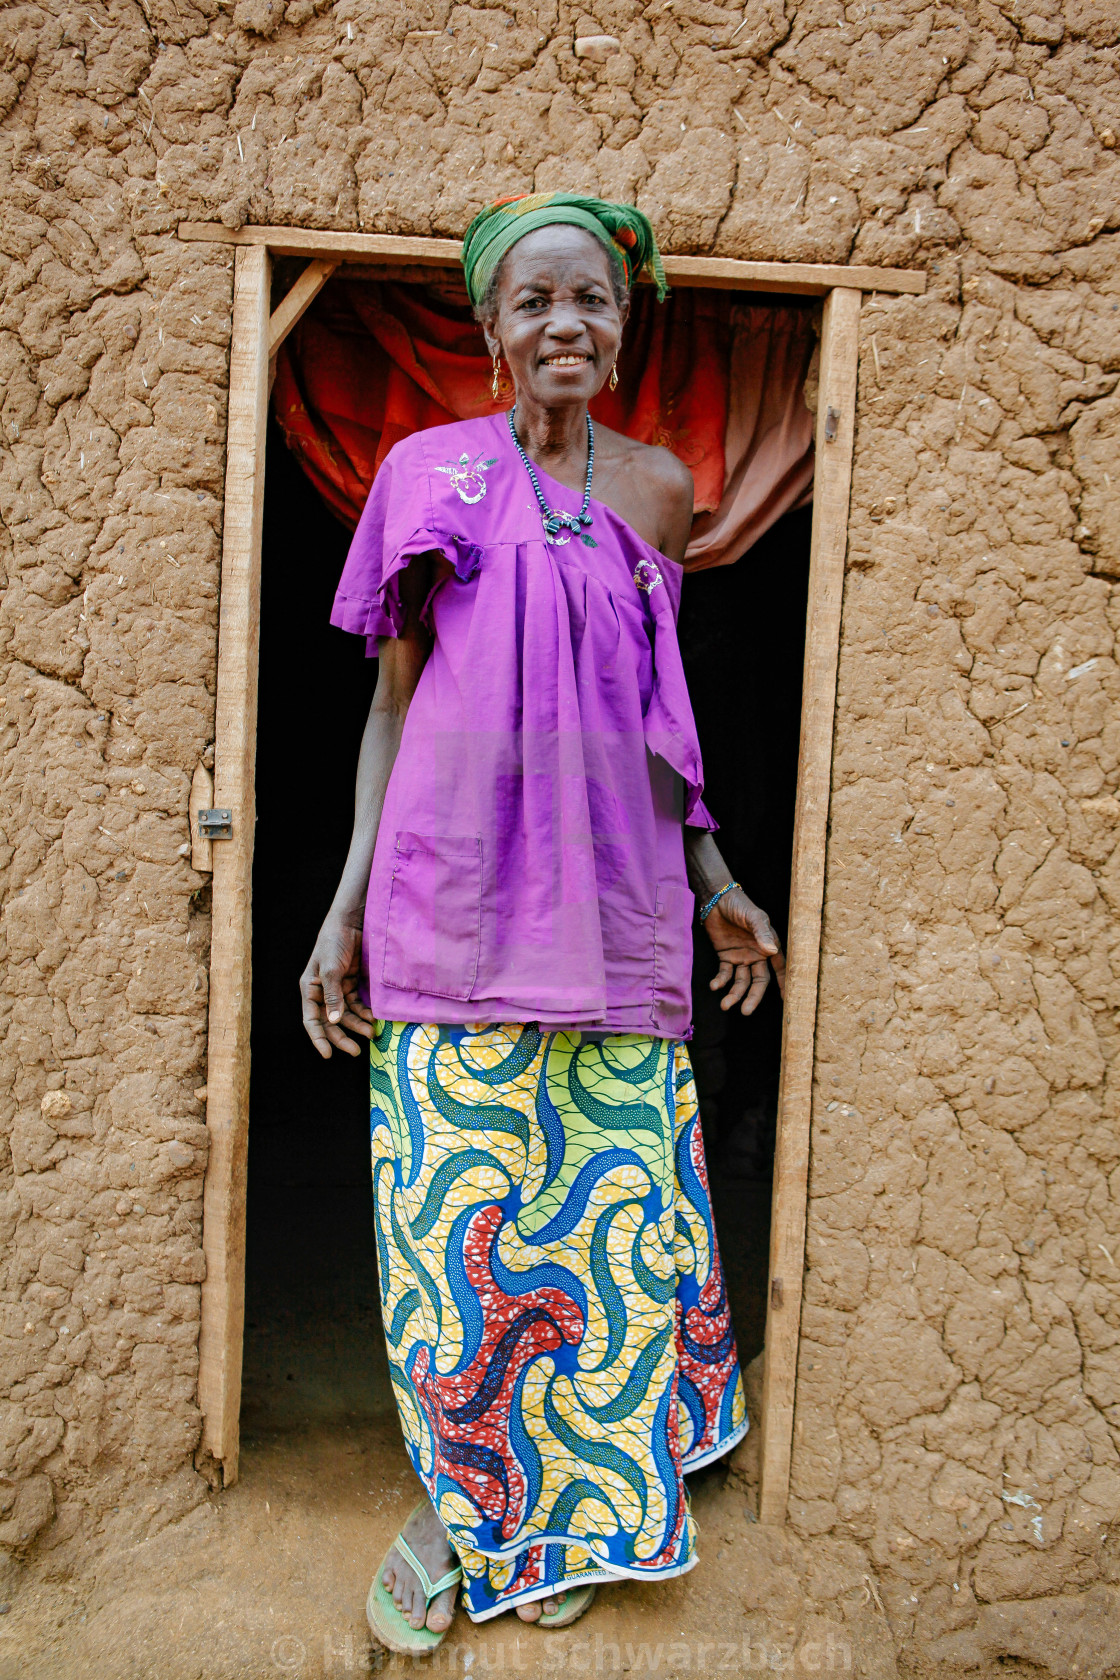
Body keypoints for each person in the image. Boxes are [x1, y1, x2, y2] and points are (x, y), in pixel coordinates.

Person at [299, 191, 785, 1655]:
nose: (565, 322)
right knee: (459, 1244)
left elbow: (658, 715)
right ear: (490, 328)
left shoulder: (659, 491)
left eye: (592, 299)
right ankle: (464, 1513)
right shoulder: (425, 472)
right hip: (447, 906)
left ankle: (570, 1514)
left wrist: (713, 883)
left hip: (618, 910)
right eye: (535, 302)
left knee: (602, 1240)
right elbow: (391, 705)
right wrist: (341, 915)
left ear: (625, 324)